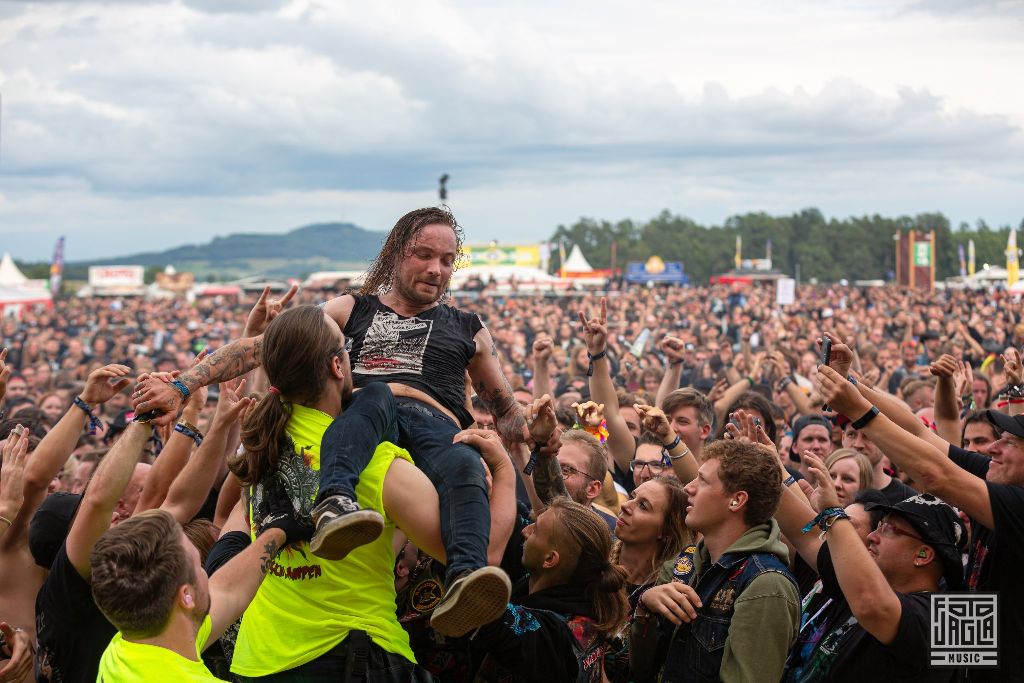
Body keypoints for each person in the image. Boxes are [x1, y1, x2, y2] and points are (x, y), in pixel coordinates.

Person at [134, 207, 526, 635]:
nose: (436, 269)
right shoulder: (351, 308)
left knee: (466, 462)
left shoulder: (469, 327)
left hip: (439, 428)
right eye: (424, 255)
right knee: (374, 399)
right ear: (396, 253)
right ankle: (335, 502)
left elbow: (506, 413)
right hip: (369, 418)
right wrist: (185, 385)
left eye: (447, 260)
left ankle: (465, 579)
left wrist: (535, 439)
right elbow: (266, 347)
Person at [226, 305, 517, 679]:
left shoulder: (260, 447)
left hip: (257, 659)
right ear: (337, 366)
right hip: (350, 655)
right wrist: (505, 472)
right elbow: (487, 550)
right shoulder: (378, 465)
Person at [817, 345, 1024, 683]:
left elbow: (934, 475)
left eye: (1010, 443)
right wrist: (849, 384)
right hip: (979, 648)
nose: (992, 449)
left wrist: (855, 407)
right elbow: (920, 432)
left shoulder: (1018, 505)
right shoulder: (997, 474)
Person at [778, 451, 967, 682]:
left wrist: (833, 513)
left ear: (923, 554)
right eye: (879, 525)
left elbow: (871, 604)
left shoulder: (947, 620)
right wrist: (766, 465)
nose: (872, 537)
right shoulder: (867, 582)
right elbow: (806, 535)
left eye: (888, 529)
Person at [631, 438, 800, 682]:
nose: (688, 488)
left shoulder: (766, 586)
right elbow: (641, 671)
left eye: (703, 481)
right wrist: (645, 607)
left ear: (736, 500)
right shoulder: (691, 565)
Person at [90, 506, 307, 681]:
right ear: (186, 596)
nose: (206, 573)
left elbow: (227, 591)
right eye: (197, 566)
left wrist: (275, 534)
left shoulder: (123, 649)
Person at [470, 497, 630, 682]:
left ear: (549, 560)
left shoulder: (550, 636)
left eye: (535, 529)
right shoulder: (586, 597)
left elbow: (477, 605)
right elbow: (511, 519)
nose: (525, 531)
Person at [556, 429, 617, 531]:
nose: (553, 474)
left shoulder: (612, 536)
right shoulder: (527, 513)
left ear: (592, 489)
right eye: (551, 464)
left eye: (565, 470)